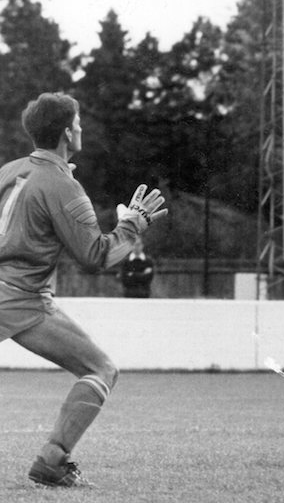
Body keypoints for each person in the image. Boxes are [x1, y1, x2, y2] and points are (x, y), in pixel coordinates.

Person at [0, 93, 167, 487]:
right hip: (21, 298)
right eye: (77, 122)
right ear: (65, 132)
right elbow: (95, 256)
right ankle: (53, 461)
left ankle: (53, 461)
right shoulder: (62, 185)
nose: (81, 128)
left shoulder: (9, 170)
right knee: (101, 369)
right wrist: (133, 224)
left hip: (16, 293)